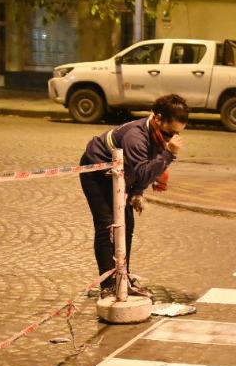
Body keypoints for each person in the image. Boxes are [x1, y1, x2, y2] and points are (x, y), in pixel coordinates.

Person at [79, 93, 188, 297]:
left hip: (120, 175)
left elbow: (142, 173)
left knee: (126, 224)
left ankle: (123, 277)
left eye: (176, 134)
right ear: (157, 118)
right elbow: (143, 172)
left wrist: (137, 192)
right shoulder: (136, 136)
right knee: (107, 225)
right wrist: (169, 154)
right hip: (95, 172)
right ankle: (109, 285)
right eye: (169, 132)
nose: (171, 138)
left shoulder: (158, 133)